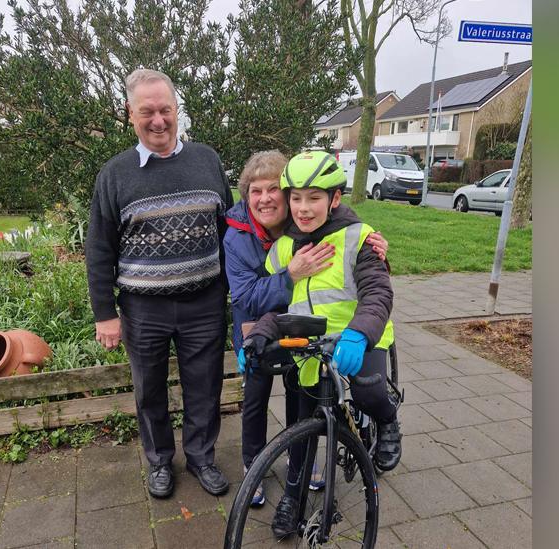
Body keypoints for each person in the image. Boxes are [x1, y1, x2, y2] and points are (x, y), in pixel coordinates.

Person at [85, 68, 233, 499]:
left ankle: (202, 457)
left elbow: (233, 230)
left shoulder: (207, 160)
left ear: (177, 110)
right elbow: (99, 250)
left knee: (205, 384)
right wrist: (105, 313)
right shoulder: (114, 175)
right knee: (149, 390)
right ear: (130, 114)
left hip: (204, 302)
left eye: (165, 110)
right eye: (146, 111)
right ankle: (159, 462)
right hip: (143, 309)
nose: (158, 120)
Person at [239, 151, 402, 538]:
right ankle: (292, 497)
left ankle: (387, 419)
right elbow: (277, 308)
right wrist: (259, 337)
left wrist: (360, 333)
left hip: (361, 337)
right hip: (311, 349)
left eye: (314, 197)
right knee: (300, 422)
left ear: (335, 199)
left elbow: (378, 292)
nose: (303, 208)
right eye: (295, 198)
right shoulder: (282, 249)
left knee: (367, 389)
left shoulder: (359, 237)